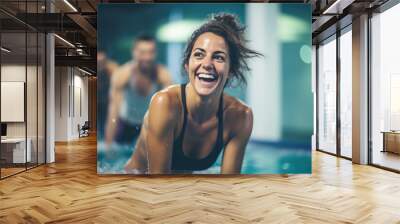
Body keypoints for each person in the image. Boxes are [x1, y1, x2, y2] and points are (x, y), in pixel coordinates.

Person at [124, 13, 262, 174]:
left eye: (218, 57)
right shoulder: (165, 103)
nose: (207, 64)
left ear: (230, 70)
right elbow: (158, 187)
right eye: (199, 54)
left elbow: (229, 186)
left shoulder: (240, 116)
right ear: (186, 64)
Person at [105, 35, 172, 148]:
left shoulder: (163, 75)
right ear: (134, 52)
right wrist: (108, 147)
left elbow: (170, 112)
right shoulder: (122, 75)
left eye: (150, 52)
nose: (147, 57)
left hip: (150, 125)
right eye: (142, 52)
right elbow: (113, 111)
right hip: (126, 124)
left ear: (155, 53)